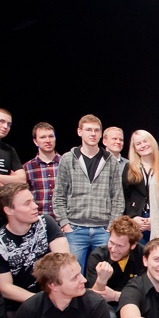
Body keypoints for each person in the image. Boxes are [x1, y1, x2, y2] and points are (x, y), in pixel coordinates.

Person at [0, 183, 69, 318]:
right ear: (9, 210)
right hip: (20, 305)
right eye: (27, 204)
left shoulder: (46, 223)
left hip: (56, 293)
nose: (35, 206)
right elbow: (4, 288)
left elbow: (65, 262)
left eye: (33, 201)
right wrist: (42, 301)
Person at [54, 114, 124, 272]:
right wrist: (65, 224)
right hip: (75, 229)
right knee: (72, 272)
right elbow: (58, 195)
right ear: (79, 132)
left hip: (102, 230)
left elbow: (118, 197)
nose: (93, 134)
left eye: (96, 130)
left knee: (103, 273)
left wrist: (111, 225)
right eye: (88, 130)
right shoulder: (68, 159)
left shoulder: (110, 160)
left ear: (101, 134)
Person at [85, 216, 145, 318]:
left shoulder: (142, 255)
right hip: (106, 305)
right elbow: (93, 298)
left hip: (132, 302)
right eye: (111, 242)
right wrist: (101, 280)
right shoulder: (98, 256)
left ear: (133, 245)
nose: (113, 249)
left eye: (120, 246)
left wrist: (116, 296)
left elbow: (144, 292)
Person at [123, 130, 158, 244]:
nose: (143, 145)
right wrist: (133, 217)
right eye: (138, 144)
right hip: (137, 220)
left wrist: (155, 219)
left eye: (145, 141)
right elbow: (125, 196)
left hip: (158, 219)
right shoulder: (129, 167)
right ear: (135, 149)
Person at [23, 122, 61, 220]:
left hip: (63, 222)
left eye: (51, 136)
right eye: (43, 137)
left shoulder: (66, 163)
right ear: (35, 142)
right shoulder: (27, 168)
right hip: (37, 221)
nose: (48, 140)